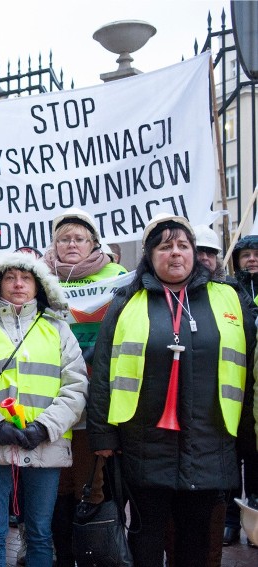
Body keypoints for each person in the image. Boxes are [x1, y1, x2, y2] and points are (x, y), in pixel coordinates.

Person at [88, 214, 257, 566]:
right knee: (146, 539)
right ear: (150, 255)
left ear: (195, 253)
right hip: (143, 443)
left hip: (210, 442)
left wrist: (247, 438)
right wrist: (103, 436)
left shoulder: (229, 299)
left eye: (183, 246)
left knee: (196, 542)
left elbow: (249, 373)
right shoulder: (125, 301)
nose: (176, 254)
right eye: (165, 246)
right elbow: (103, 370)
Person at [0, 252, 86, 567]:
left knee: (39, 532)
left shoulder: (59, 329)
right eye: (10, 277)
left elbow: (76, 387)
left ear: (39, 285)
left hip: (45, 444)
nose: (18, 284)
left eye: (26, 277)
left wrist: (45, 427)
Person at [42, 207, 126, 567]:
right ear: (54, 243)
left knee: (92, 484)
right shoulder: (38, 277)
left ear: (93, 242)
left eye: (79, 238)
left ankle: (94, 553)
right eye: (64, 238)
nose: (71, 244)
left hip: (98, 399)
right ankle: (61, 554)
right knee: (55, 487)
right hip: (50, 398)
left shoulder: (119, 276)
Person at [223, 233, 258, 547]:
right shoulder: (229, 292)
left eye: (256, 254)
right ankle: (230, 522)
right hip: (235, 388)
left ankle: (255, 524)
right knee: (233, 461)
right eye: (245, 254)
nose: (252, 259)